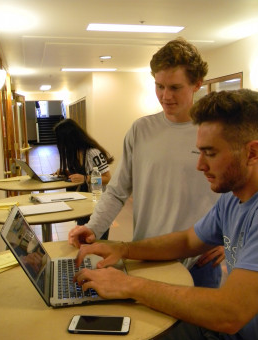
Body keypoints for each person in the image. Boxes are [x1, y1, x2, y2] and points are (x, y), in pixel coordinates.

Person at [74, 89, 258, 340]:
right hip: (223, 333)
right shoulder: (232, 198)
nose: (200, 165)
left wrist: (128, 285)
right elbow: (186, 240)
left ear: (252, 153)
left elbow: (229, 312)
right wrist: (123, 249)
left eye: (211, 153)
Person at [69, 38, 223, 287]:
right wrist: (93, 228)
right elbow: (117, 192)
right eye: (159, 86)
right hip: (146, 255)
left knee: (194, 328)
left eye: (175, 87)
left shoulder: (215, 131)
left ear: (197, 84)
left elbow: (241, 194)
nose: (165, 96)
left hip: (198, 263)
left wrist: (229, 239)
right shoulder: (141, 130)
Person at [54, 119, 114, 239]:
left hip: (97, 206)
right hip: (83, 203)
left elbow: (107, 178)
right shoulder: (75, 153)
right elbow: (80, 173)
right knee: (84, 240)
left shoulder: (93, 153)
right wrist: (66, 173)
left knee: (97, 242)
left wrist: (86, 178)